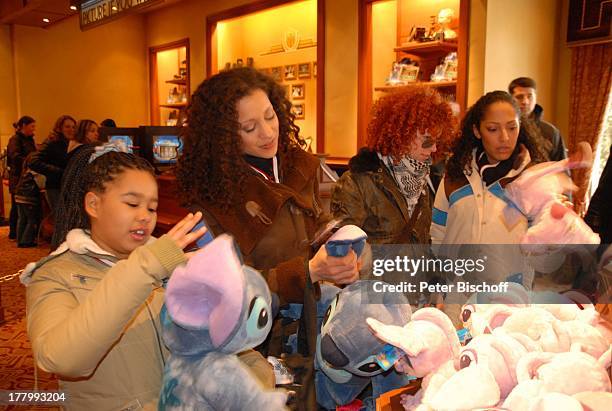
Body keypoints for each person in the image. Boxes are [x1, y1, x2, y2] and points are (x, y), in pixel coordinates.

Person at [23, 144, 209, 410]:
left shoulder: (163, 265)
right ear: (93, 204)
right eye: (132, 203)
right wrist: (147, 268)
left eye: (152, 208)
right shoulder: (54, 275)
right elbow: (60, 359)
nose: (144, 217)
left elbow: (209, 344)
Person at [176, 67, 361, 308]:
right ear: (222, 137)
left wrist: (347, 254)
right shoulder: (211, 201)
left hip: (321, 313)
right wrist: (307, 272)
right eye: (249, 128)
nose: (267, 132)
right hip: (265, 338)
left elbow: (325, 225)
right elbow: (230, 294)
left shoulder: (302, 165)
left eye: (270, 116)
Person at [430, 91, 546, 289]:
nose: (505, 137)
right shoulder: (455, 175)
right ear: (477, 131)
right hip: (456, 292)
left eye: (512, 128)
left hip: (510, 295)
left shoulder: (532, 178)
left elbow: (544, 248)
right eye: (493, 129)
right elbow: (438, 233)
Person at [330, 86, 456, 244]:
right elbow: (343, 249)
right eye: (427, 140)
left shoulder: (424, 179)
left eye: (437, 141)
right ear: (403, 133)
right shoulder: (356, 183)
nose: (434, 148)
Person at [508, 77, 567, 161]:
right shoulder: (505, 130)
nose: (525, 101)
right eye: (519, 97)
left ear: (536, 98)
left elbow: (562, 166)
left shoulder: (551, 132)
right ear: (510, 99)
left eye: (529, 96)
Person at [29, 115, 76, 210]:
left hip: (67, 187)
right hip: (55, 188)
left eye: (73, 127)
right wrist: (58, 171)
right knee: (60, 220)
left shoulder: (71, 143)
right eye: (67, 127)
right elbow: (33, 161)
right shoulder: (52, 141)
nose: (71, 129)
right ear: (59, 128)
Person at [7, 116, 37, 240]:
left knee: (21, 209)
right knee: (17, 207)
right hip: (18, 177)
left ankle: (20, 234)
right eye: (32, 126)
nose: (34, 129)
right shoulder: (15, 140)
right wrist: (29, 161)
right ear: (24, 125)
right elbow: (14, 156)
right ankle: (14, 233)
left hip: (26, 176)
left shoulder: (30, 140)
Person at [14, 152, 42, 247]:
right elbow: (41, 184)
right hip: (28, 198)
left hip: (18, 196)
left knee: (21, 218)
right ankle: (26, 241)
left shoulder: (25, 171)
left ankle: (19, 240)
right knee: (31, 219)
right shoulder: (34, 173)